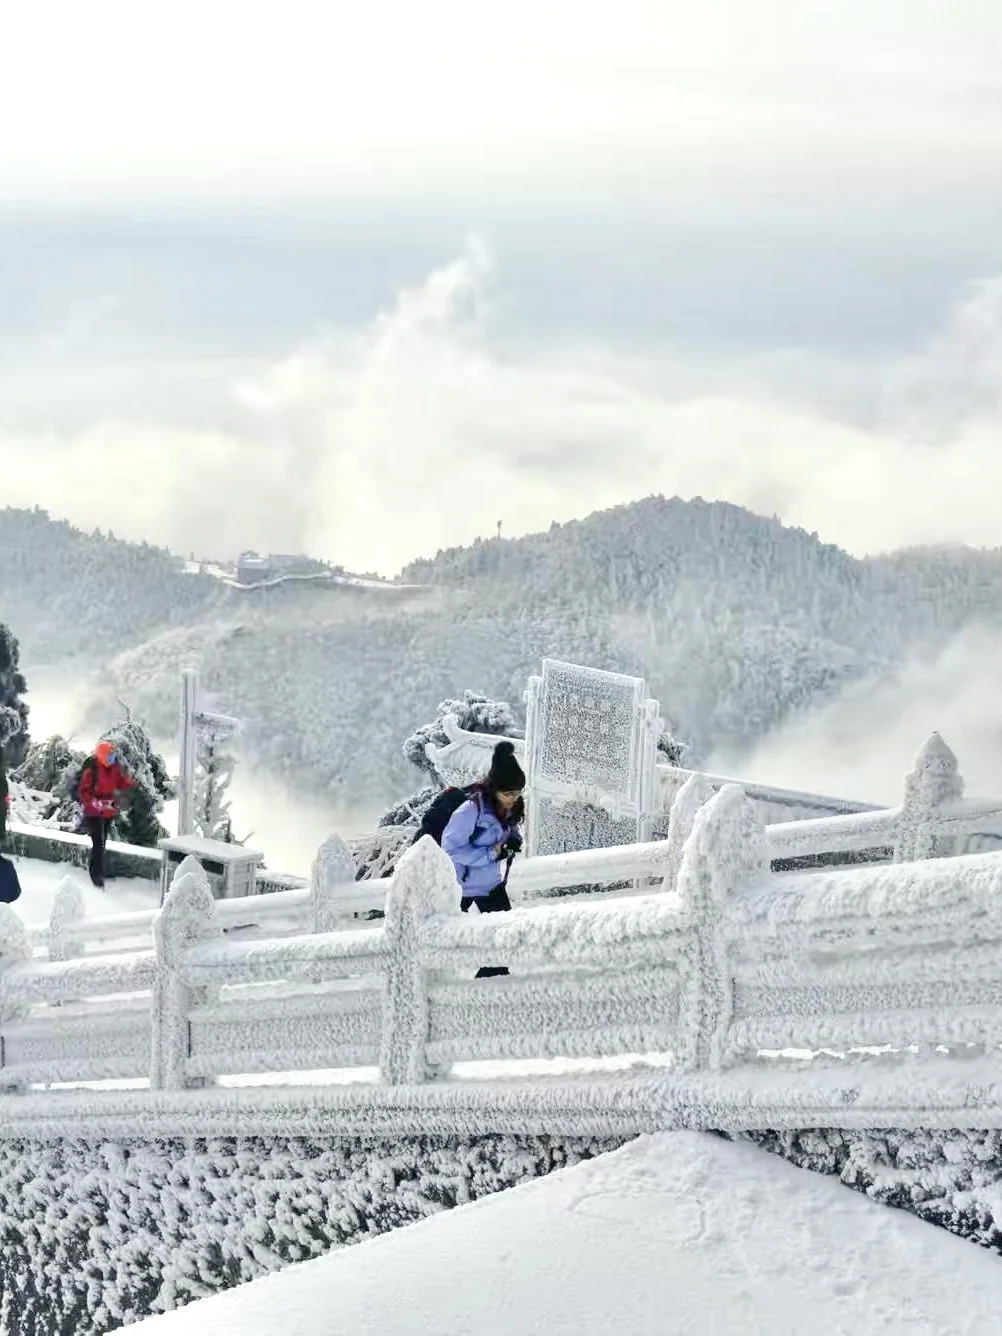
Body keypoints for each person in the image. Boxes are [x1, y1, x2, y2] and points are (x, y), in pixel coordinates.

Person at [441, 739, 525, 978]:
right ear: (494, 789)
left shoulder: (507, 807)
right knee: (442, 943)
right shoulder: (469, 812)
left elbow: (508, 828)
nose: (514, 798)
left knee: (504, 941)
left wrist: (514, 839)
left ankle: (489, 992)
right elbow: (450, 848)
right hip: (462, 886)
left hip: (490, 884)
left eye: (518, 793)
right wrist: (489, 854)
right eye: (508, 793)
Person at [78, 740, 135, 887]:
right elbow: (84, 793)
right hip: (94, 813)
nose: (112, 757)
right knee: (98, 843)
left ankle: (100, 870)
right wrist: (96, 804)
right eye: (110, 754)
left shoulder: (113, 768)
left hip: (108, 811)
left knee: (102, 843)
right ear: (102, 755)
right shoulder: (92, 771)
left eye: (113, 754)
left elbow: (121, 782)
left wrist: (133, 785)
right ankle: (95, 874)